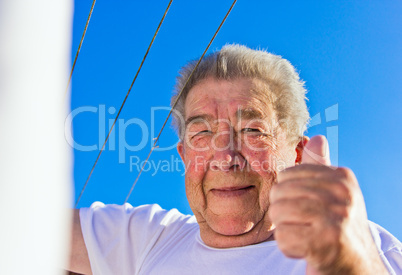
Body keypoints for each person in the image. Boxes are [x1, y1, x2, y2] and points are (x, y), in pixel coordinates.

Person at [68, 45, 402, 275]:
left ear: (297, 155)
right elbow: (23, 226)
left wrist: (348, 264)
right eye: (202, 133)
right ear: (184, 156)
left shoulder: (365, 245)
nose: (225, 158)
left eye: (252, 130)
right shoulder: (148, 237)